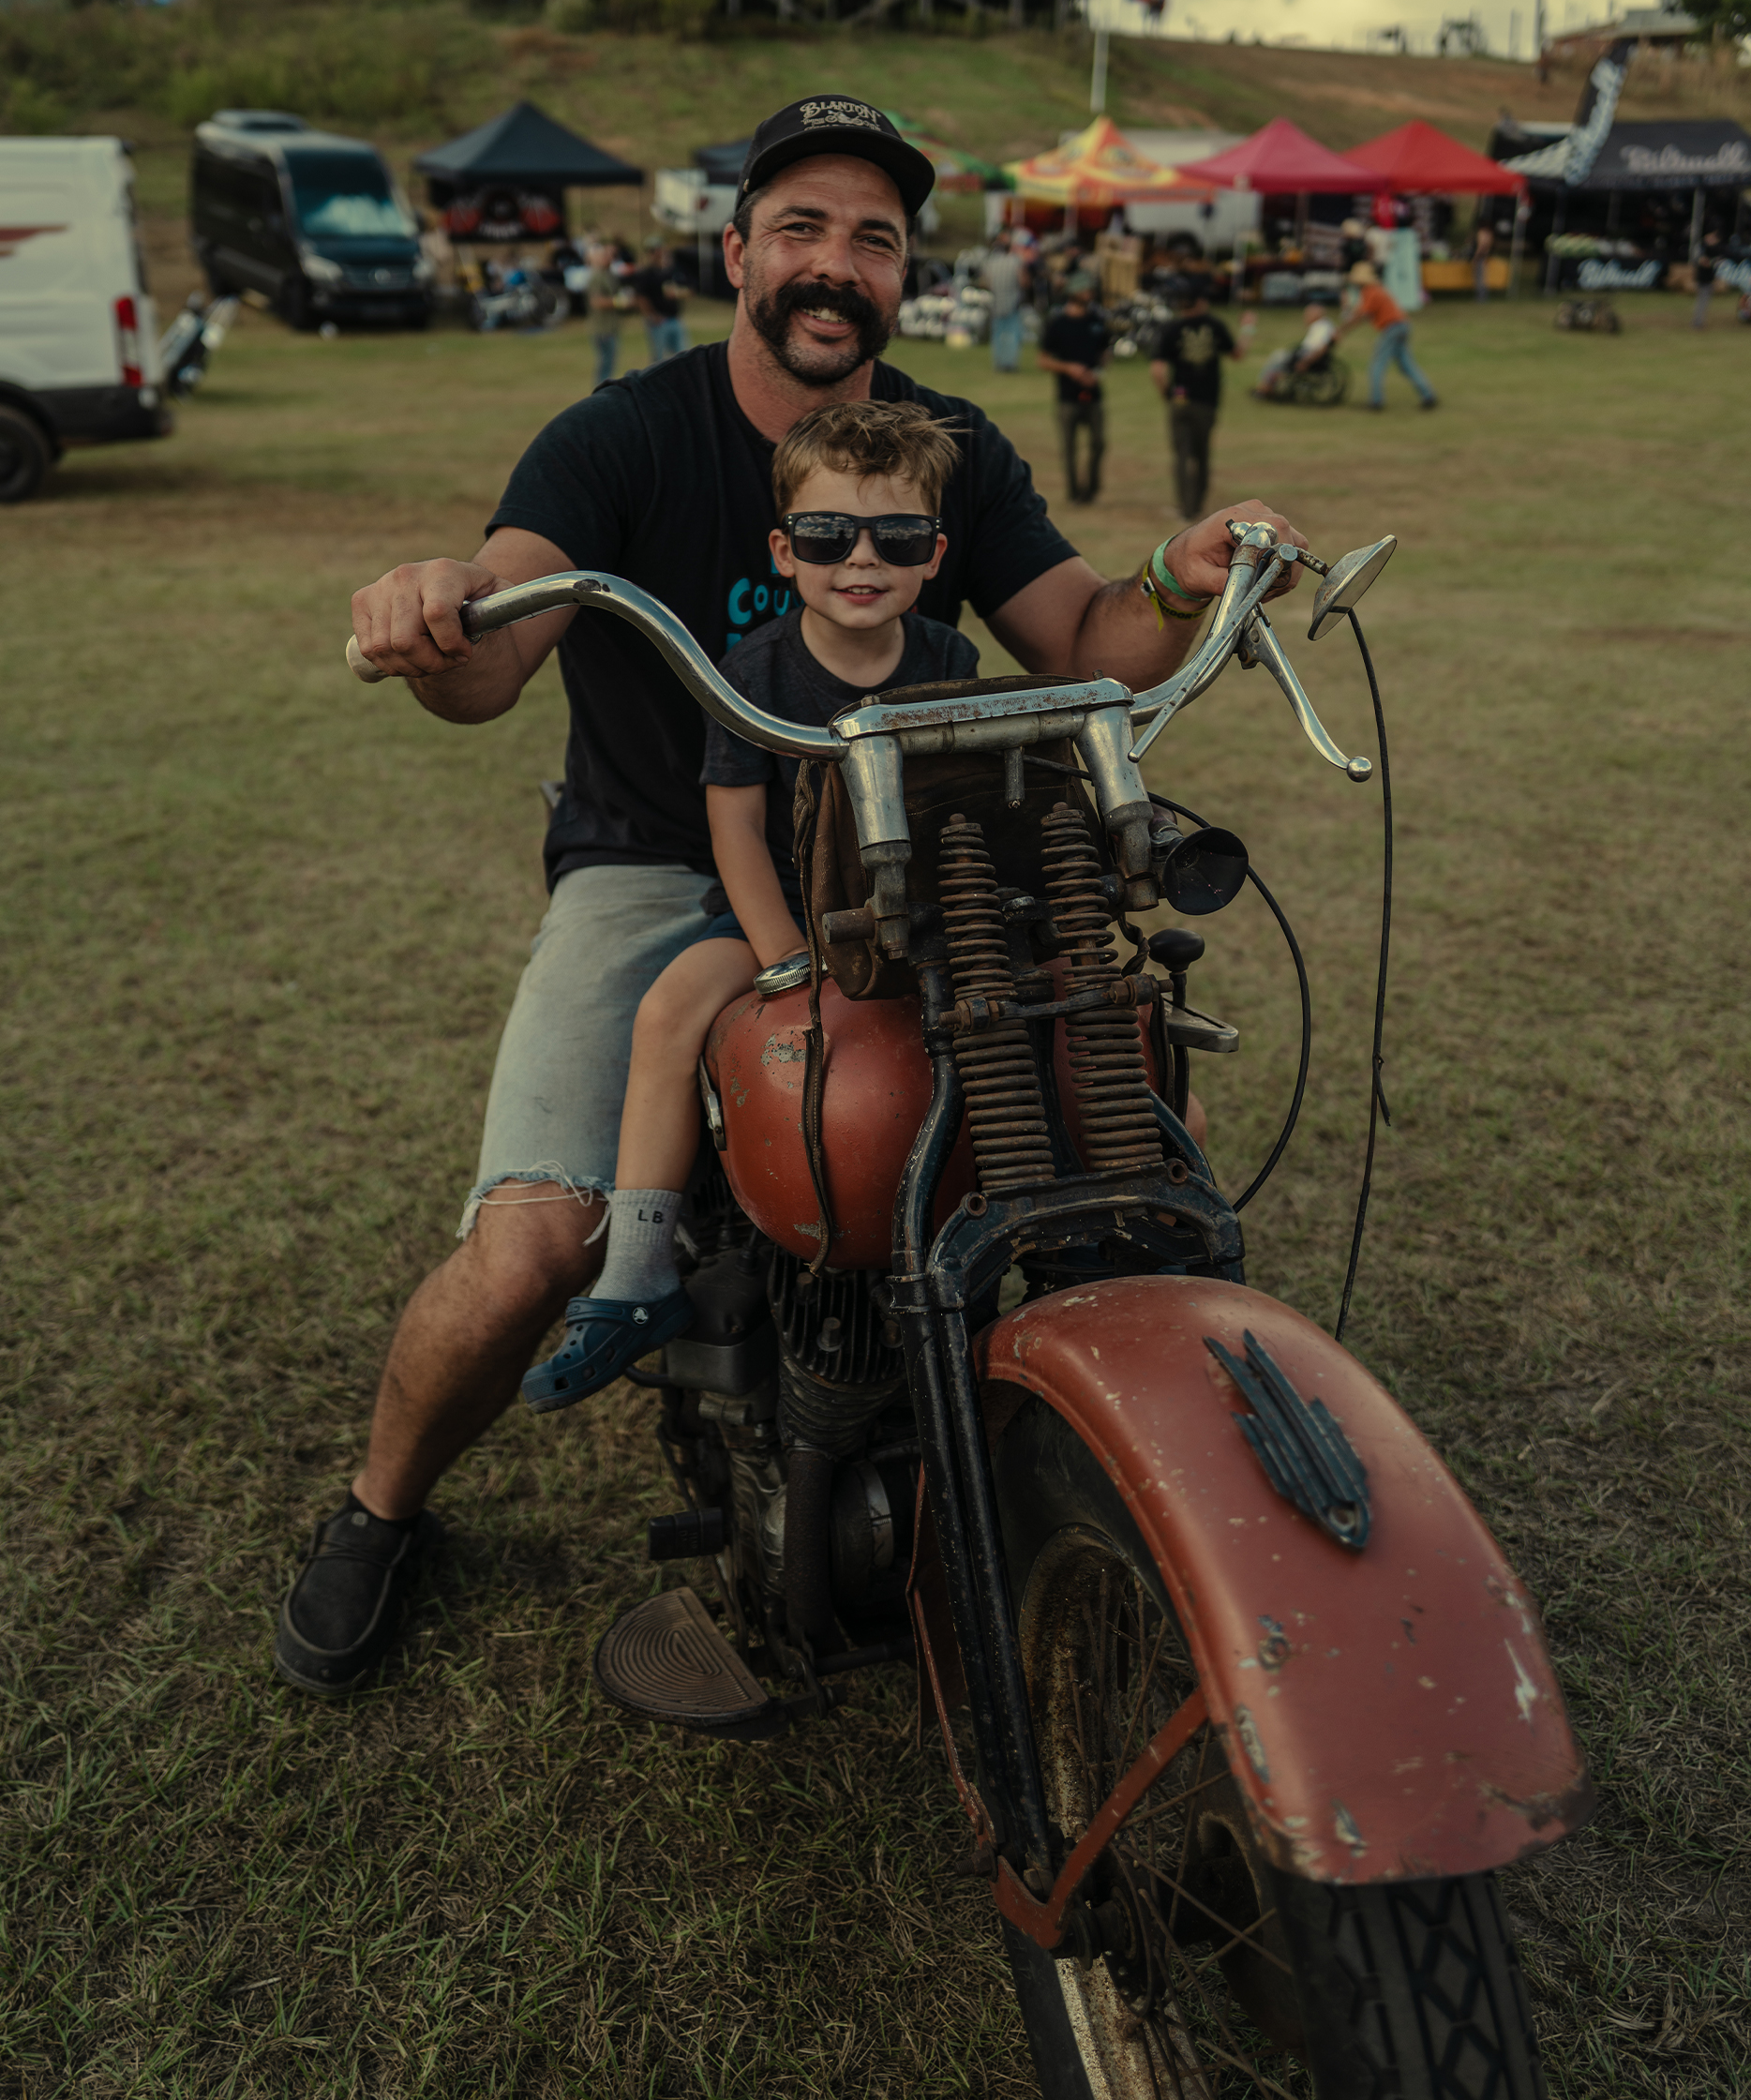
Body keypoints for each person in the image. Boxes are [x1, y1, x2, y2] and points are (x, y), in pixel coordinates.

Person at [277, 90, 1308, 1696]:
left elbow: (1078, 642)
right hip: (658, 864)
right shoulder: (623, 431)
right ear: (739, 251)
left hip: (913, 863)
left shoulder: (940, 449)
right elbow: (493, 647)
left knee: (1081, 1097)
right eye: (804, 230)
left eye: (874, 240)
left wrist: (1177, 573)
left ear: (903, 278)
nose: (836, 266)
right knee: (534, 1242)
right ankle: (378, 1507)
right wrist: (436, 611)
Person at [525, 400, 975, 1402]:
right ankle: (638, 1271)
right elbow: (733, 827)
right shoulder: (754, 671)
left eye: (894, 535)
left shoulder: (950, 662)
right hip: (785, 923)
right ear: (783, 548)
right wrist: (785, 958)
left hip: (920, 923)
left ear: (933, 552)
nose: (861, 558)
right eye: (826, 535)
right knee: (673, 1002)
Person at [1150, 277, 1237, 518]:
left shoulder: (1171, 328)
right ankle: (1198, 506)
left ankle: (1184, 508)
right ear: (1201, 302)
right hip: (1206, 400)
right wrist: (1249, 328)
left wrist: (1167, 394)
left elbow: (1157, 370)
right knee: (1202, 455)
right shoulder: (1215, 325)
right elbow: (1237, 353)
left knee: (1181, 455)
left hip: (1181, 399)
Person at [1039, 272, 1109, 505]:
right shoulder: (1058, 324)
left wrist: (1096, 374)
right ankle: (1074, 493)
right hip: (1067, 397)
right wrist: (1069, 369)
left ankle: (1091, 490)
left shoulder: (1097, 321)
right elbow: (1043, 360)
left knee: (1098, 444)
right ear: (1073, 293)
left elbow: (1104, 355)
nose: (1090, 294)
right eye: (1085, 290)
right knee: (1069, 448)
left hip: (1094, 395)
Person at [1334, 262, 1438, 412]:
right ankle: (1428, 395)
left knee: (1377, 364)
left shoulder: (1370, 291)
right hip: (1402, 326)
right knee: (1406, 364)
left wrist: (1341, 330)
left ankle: (1376, 401)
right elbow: (1360, 312)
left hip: (1392, 328)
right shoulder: (1374, 290)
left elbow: (1361, 316)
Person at [1252, 302, 1335, 400]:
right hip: (1304, 354)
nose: (1305, 318)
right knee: (1278, 357)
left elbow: (1322, 348)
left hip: (1308, 356)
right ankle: (1266, 387)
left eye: (1307, 315)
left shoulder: (1323, 328)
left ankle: (1265, 388)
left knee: (1277, 358)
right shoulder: (1320, 326)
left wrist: (1306, 362)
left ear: (1316, 315)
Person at [631, 235, 688, 365]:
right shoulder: (646, 274)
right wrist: (652, 315)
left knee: (682, 354)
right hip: (659, 321)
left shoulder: (671, 271)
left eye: (659, 249)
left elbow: (687, 289)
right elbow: (640, 297)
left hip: (674, 318)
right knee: (659, 357)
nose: (658, 253)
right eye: (654, 250)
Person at [982, 230, 1029, 373]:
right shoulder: (1015, 261)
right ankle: (1010, 363)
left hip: (996, 302)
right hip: (1012, 301)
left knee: (998, 334)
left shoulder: (990, 262)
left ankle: (999, 362)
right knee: (1012, 334)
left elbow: (986, 283)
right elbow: (1023, 282)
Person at [583, 236, 621, 388]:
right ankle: (601, 393)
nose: (610, 258)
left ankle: (605, 391)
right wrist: (618, 302)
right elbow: (596, 301)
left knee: (610, 362)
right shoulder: (596, 277)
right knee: (605, 363)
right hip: (601, 328)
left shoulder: (609, 275)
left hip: (611, 326)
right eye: (606, 255)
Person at [1693, 231, 1721, 330]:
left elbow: (1716, 262)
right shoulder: (1703, 247)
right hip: (1703, 279)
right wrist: (1711, 262)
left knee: (1704, 302)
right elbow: (1703, 262)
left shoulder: (1715, 249)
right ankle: (1697, 322)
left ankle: (1699, 321)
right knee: (1702, 301)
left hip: (1709, 279)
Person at [1471, 218, 1496, 303]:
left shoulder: (1481, 233)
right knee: (1483, 278)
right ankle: (1484, 296)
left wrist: (1475, 257)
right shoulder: (1490, 234)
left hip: (1480, 257)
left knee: (1479, 278)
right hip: (1486, 256)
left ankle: (1480, 298)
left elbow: (1481, 246)